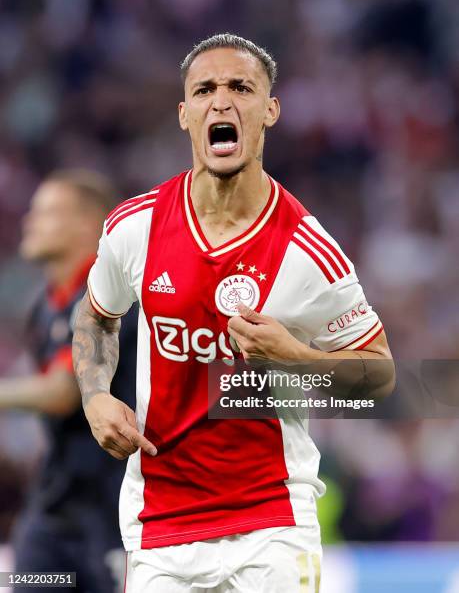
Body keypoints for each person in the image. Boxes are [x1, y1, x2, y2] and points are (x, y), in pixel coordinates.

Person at [72, 34, 395, 592]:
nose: (221, 102)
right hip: (160, 522)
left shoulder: (305, 247)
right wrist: (95, 393)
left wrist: (295, 357)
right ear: (185, 114)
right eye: (205, 90)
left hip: (272, 520)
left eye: (240, 87)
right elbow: (97, 316)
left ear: (270, 110)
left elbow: (380, 374)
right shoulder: (135, 227)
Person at [0, 169, 137, 592]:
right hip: (55, 507)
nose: (29, 221)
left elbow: (64, 392)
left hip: (114, 508)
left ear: (86, 224)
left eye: (48, 212)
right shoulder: (41, 305)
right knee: (29, 582)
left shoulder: (115, 297)